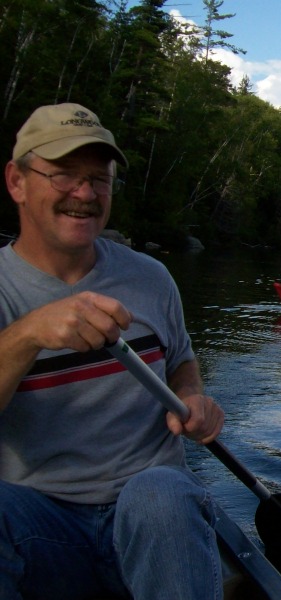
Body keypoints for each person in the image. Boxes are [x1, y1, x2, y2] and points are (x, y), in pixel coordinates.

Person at [0, 103, 225, 599]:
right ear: (17, 181)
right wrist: (27, 334)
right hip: (42, 522)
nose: (84, 194)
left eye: (99, 179)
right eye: (63, 175)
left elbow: (183, 361)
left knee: (163, 493)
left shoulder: (151, 277)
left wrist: (193, 399)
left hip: (147, 508)